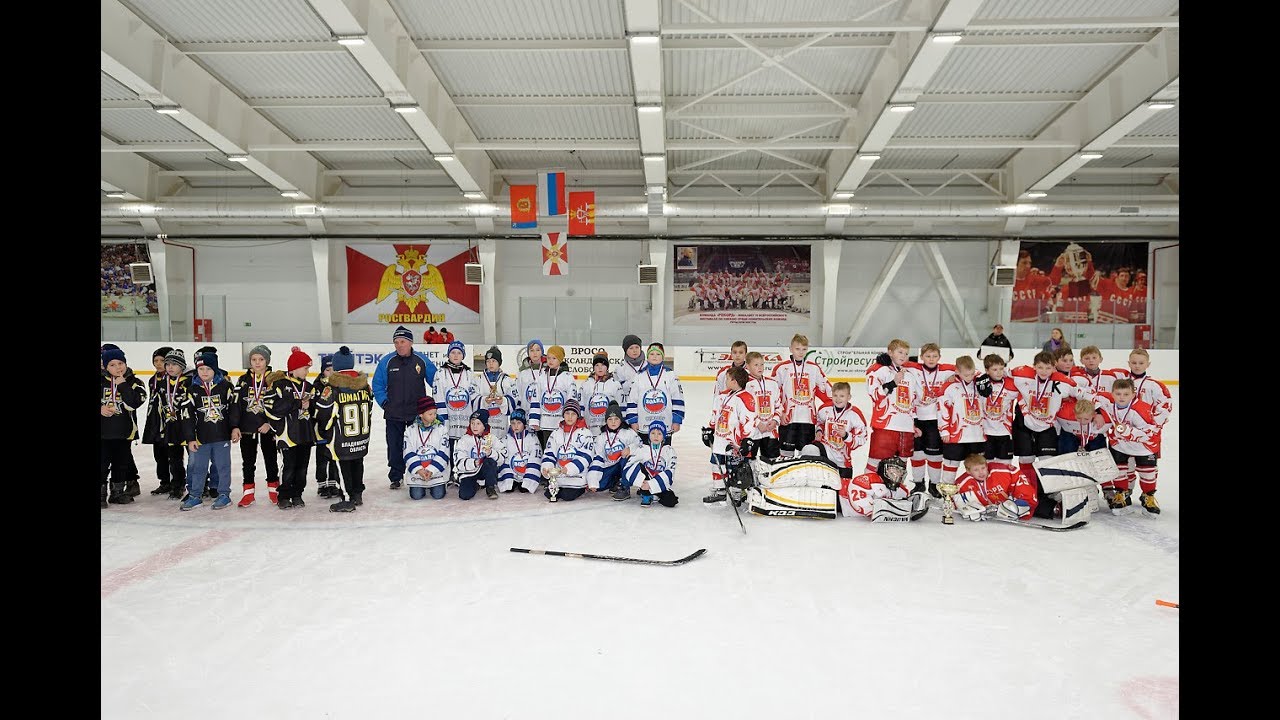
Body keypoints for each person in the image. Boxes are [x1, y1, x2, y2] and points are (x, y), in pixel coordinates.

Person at [1008, 351, 1075, 518]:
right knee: (1026, 460)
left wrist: (1098, 412)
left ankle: (1049, 495)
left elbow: (1082, 393)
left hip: (1047, 427)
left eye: (1048, 368)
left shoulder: (1062, 381)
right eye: (1040, 367)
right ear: (1034, 366)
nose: (1043, 371)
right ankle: (1027, 492)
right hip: (1024, 424)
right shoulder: (1022, 374)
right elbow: (1000, 372)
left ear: (1054, 367)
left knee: (1047, 461)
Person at [176, 349, 241, 510]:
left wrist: (234, 428)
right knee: (198, 468)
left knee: (222, 466)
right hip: (201, 437)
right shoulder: (192, 390)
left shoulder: (225, 386)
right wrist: (190, 438)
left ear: (215, 369)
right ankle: (195, 495)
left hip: (221, 436)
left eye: (208, 369)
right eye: (201, 369)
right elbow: (187, 416)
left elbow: (234, 409)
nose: (204, 372)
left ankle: (224, 494)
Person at [373, 326, 437, 490]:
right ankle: (396, 476)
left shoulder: (421, 361)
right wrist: (385, 403)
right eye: (396, 342)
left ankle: (417, 472)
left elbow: (436, 382)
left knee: (417, 445)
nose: (399, 345)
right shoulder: (387, 361)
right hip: (394, 414)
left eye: (402, 341)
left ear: (410, 342)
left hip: (417, 415)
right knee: (394, 446)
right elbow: (377, 385)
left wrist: (431, 406)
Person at [314, 346, 373, 512]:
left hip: (341, 438)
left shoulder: (332, 388)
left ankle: (347, 499)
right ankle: (357, 494)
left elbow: (322, 412)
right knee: (357, 463)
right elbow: (369, 408)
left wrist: (325, 430)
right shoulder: (364, 386)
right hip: (360, 437)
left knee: (342, 466)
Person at [1094, 378, 1163, 515]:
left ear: (1133, 394)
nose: (1121, 397)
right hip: (1120, 445)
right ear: (1112, 394)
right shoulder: (1109, 405)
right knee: (1119, 470)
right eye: (1118, 394)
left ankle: (1148, 496)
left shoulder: (1142, 409)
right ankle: (1122, 494)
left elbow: (1151, 431)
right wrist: (1097, 414)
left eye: (1126, 394)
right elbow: (1090, 396)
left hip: (1144, 446)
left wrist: (1129, 432)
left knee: (1147, 473)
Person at [262, 347, 317, 510]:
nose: (307, 372)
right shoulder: (279, 385)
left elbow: (315, 411)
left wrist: (310, 406)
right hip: (287, 434)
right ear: (294, 368)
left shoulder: (309, 387)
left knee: (302, 468)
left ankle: (297, 494)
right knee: (289, 466)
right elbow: (271, 408)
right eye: (305, 368)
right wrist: (297, 404)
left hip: (305, 434)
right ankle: (284, 495)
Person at [864, 339, 924, 487]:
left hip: (906, 429)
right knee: (875, 461)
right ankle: (868, 489)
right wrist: (892, 383)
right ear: (890, 352)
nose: (903, 356)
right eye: (900, 352)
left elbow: (914, 401)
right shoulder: (879, 370)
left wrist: (913, 423)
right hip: (886, 426)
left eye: (906, 353)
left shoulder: (910, 375)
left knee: (900, 465)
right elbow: (874, 395)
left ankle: (895, 492)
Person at [235, 344, 282, 506]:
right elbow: (236, 405)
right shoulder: (243, 380)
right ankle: (248, 494)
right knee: (247, 462)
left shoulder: (274, 380)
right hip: (247, 429)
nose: (257, 363)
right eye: (254, 359)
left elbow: (279, 405)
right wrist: (235, 426)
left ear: (267, 361)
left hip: (267, 429)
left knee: (271, 460)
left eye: (261, 359)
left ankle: (274, 491)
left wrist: (270, 423)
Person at [702, 365, 756, 504]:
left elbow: (749, 420)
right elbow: (716, 414)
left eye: (727, 379)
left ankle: (737, 493)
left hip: (734, 441)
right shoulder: (722, 397)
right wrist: (710, 429)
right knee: (717, 464)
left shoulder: (746, 398)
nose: (725, 381)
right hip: (720, 437)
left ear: (734, 381)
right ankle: (720, 491)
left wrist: (747, 439)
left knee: (736, 468)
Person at [771, 334, 831, 459]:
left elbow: (827, 390)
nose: (801, 352)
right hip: (788, 419)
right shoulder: (781, 368)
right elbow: (773, 394)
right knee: (786, 456)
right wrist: (780, 414)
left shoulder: (813, 368)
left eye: (804, 349)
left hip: (808, 419)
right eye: (797, 349)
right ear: (790, 349)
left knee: (807, 454)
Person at [101, 345, 148, 507]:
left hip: (124, 432)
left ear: (126, 363)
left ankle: (117, 493)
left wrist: (122, 384)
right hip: (103, 433)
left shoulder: (135, 382)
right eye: (112, 365)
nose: (117, 368)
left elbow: (134, 402)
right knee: (102, 463)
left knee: (121, 463)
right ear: (105, 366)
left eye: (120, 363)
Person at [906, 343, 955, 495]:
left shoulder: (947, 369)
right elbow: (895, 362)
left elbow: (969, 370)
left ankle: (934, 485)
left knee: (935, 455)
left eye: (934, 356)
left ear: (939, 357)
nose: (931, 359)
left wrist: (956, 376)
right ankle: (919, 483)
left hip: (936, 420)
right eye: (927, 356)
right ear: (921, 357)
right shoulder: (913, 368)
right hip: (916, 418)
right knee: (917, 453)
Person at [938, 355, 987, 485]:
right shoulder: (949, 386)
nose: (969, 377)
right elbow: (942, 409)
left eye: (972, 374)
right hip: (956, 435)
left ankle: (978, 494)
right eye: (966, 375)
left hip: (977, 435)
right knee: (951, 465)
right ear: (957, 372)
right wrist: (944, 431)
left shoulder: (980, 382)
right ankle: (947, 495)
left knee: (978, 467)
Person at [625, 342, 685, 445]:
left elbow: (677, 398)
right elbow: (632, 400)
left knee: (663, 455)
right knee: (645, 455)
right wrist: (633, 420)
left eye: (658, 354)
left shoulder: (670, 375)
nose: (655, 357)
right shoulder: (639, 376)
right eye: (652, 354)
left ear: (663, 357)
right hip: (644, 424)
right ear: (647, 357)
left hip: (665, 423)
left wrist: (677, 420)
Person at [950, 454, 1039, 522]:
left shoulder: (1002, 471)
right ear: (968, 471)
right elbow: (952, 502)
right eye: (976, 470)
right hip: (994, 514)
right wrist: (964, 509)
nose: (981, 472)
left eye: (983, 468)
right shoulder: (962, 483)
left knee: (1041, 509)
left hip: (1017, 501)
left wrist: (1021, 503)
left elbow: (1022, 484)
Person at [150, 349, 189, 500]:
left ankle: (197, 486)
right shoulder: (162, 383)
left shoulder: (188, 382)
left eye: (174, 364)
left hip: (187, 427)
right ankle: (177, 486)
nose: (170, 367)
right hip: (170, 428)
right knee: (174, 459)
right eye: (168, 364)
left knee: (194, 459)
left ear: (182, 366)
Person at [539, 399, 594, 502]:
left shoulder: (586, 433)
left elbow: (586, 456)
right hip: (559, 478)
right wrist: (547, 468)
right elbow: (549, 453)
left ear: (578, 415)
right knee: (549, 494)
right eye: (567, 413)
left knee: (567, 496)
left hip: (577, 477)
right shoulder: (556, 433)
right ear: (563, 415)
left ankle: (582, 489)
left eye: (573, 414)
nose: (570, 417)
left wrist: (569, 469)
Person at [837, 457, 924, 521]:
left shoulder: (902, 490)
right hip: (837, 498)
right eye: (892, 470)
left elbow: (904, 504)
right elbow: (867, 509)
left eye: (899, 471)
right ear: (883, 470)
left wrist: (912, 506)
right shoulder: (868, 480)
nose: (896, 474)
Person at [813, 381, 869, 480]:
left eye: (842, 396)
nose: (838, 399)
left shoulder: (855, 414)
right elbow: (819, 421)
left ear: (849, 397)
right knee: (810, 449)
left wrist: (846, 436)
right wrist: (819, 431)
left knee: (842, 492)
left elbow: (863, 438)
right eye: (835, 395)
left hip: (842, 458)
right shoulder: (825, 409)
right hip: (825, 451)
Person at [434, 340, 478, 465]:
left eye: (459, 353)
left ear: (463, 355)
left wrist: (473, 418)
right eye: (453, 352)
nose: (456, 355)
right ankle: (449, 472)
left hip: (465, 417)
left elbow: (474, 395)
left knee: (465, 446)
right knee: (449, 446)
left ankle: (462, 470)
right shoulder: (441, 373)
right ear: (448, 355)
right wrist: (444, 419)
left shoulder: (469, 374)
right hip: (449, 418)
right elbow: (438, 397)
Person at [618, 421, 679, 508]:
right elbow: (629, 465)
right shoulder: (643, 448)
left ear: (664, 435)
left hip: (658, 482)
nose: (656, 436)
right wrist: (640, 482)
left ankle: (652, 492)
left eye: (659, 433)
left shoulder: (669, 450)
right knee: (635, 465)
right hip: (644, 480)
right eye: (653, 433)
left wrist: (651, 484)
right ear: (649, 435)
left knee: (671, 501)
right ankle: (646, 493)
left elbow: (670, 472)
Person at [530, 345, 579, 449]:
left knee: (561, 449)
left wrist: (570, 419)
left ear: (560, 360)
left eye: (554, 358)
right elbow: (536, 398)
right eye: (548, 358)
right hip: (545, 423)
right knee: (547, 450)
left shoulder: (567, 377)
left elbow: (572, 400)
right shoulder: (542, 376)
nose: (550, 361)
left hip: (561, 422)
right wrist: (535, 420)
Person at [141, 346, 175, 495]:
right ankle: (164, 482)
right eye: (156, 360)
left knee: (173, 456)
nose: (159, 364)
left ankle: (177, 482)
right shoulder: (152, 380)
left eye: (162, 360)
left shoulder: (174, 379)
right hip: (156, 423)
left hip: (171, 423)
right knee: (159, 455)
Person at [404, 396, 451, 500]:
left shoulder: (442, 429)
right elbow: (408, 452)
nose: (434, 416)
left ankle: (437, 482)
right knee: (416, 496)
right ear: (421, 414)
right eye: (430, 414)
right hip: (418, 472)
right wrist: (419, 470)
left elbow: (444, 452)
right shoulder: (410, 431)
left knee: (438, 495)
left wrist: (431, 470)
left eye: (435, 413)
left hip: (436, 471)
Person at [452, 411, 505, 500]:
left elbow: (503, 456)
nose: (474, 426)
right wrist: (473, 463)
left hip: (484, 469)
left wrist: (491, 453)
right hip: (469, 471)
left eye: (478, 423)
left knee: (490, 461)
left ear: (484, 425)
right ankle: (476, 485)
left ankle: (490, 487)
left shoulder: (491, 438)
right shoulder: (464, 439)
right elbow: (458, 460)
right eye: (472, 423)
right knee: (464, 495)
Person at [588, 403, 640, 494]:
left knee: (626, 458)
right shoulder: (601, 437)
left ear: (621, 420)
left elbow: (640, 446)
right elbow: (597, 458)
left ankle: (625, 486)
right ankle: (614, 481)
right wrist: (593, 480)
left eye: (616, 419)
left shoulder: (628, 433)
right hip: (610, 466)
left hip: (623, 464)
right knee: (599, 485)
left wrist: (630, 449)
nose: (613, 422)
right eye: (610, 419)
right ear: (606, 421)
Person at [742, 351, 783, 462]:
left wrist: (775, 420)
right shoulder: (745, 385)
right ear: (747, 366)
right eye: (756, 365)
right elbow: (744, 409)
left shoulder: (772, 383)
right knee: (750, 460)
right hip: (753, 430)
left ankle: (770, 478)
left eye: (762, 364)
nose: (760, 367)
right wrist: (758, 423)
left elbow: (779, 405)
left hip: (770, 430)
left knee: (772, 460)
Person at [976, 354, 1018, 463]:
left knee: (1004, 467)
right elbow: (965, 372)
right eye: (994, 369)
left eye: (1001, 368)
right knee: (986, 466)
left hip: (1004, 432)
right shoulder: (980, 383)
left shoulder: (1011, 384)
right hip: (985, 432)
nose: (999, 372)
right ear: (987, 370)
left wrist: (1010, 373)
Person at [311, 356, 341, 499]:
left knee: (334, 457)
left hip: (335, 429)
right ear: (323, 371)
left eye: (334, 370)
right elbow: (313, 410)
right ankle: (322, 483)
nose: (331, 373)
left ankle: (333, 482)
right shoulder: (316, 386)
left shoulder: (339, 386)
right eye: (328, 370)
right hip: (321, 430)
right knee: (322, 457)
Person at [475, 345, 517, 437]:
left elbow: (515, 399)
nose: (491, 364)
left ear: (499, 363)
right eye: (488, 361)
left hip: (501, 423)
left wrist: (503, 401)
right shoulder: (479, 380)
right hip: (485, 422)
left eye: (494, 361)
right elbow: (473, 398)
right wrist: (484, 400)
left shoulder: (507, 380)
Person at [497, 408, 542, 494]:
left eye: (519, 423)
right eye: (513, 423)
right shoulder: (505, 439)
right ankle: (509, 481)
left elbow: (536, 458)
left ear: (524, 424)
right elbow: (504, 459)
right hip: (512, 472)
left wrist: (528, 480)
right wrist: (508, 480)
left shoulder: (532, 438)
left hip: (526, 472)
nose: (516, 426)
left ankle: (528, 482)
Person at [579, 353, 623, 435]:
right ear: (593, 367)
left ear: (607, 367)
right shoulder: (586, 384)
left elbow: (621, 407)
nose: (600, 368)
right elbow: (581, 406)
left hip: (609, 431)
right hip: (590, 430)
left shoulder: (615, 384)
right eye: (597, 365)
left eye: (602, 365)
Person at [516, 339, 547, 416]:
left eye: (538, 350)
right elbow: (518, 392)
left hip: (544, 412)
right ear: (528, 353)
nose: (535, 353)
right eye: (532, 350)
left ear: (542, 352)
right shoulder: (522, 372)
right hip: (526, 412)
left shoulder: (548, 370)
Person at [613, 334, 646, 400]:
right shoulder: (620, 368)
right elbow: (616, 389)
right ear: (626, 350)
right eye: (631, 348)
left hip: (645, 403)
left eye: (637, 347)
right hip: (627, 404)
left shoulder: (648, 365)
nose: (635, 350)